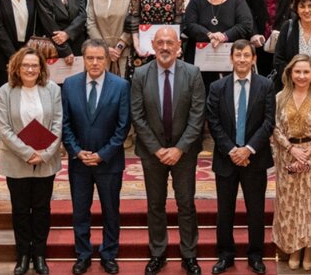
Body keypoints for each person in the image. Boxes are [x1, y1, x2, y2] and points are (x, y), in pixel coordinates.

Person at [130, 26, 206, 275]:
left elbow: (197, 116)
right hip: (153, 154)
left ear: (178, 46)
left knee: (186, 204)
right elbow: (137, 116)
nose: (164, 47)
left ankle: (189, 255)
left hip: (184, 153)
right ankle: (158, 254)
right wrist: (157, 149)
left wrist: (179, 149)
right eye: (160, 42)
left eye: (169, 43)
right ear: (153, 44)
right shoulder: (140, 74)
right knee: (155, 204)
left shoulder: (193, 73)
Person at [61, 39, 132, 275]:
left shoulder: (121, 86)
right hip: (79, 162)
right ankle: (83, 254)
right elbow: (65, 124)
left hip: (109, 162)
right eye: (90, 58)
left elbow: (123, 127)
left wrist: (102, 155)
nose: (94, 63)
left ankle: (109, 253)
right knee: (80, 211)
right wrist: (77, 151)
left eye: (99, 58)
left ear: (107, 59)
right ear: (84, 59)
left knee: (111, 210)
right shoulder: (69, 85)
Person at [206, 40, 275, 275]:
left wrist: (248, 149)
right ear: (231, 58)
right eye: (238, 55)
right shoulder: (218, 87)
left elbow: (268, 122)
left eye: (247, 55)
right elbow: (213, 122)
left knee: (255, 210)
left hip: (255, 158)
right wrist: (232, 150)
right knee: (225, 211)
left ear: (254, 59)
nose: (242, 59)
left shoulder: (266, 86)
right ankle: (225, 255)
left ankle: (256, 255)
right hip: (226, 158)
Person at [0, 47, 63, 275]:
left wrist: (44, 154)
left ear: (41, 68)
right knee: (21, 210)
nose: (30, 69)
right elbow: (4, 128)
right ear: (17, 67)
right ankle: (23, 255)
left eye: (35, 65)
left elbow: (57, 124)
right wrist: (27, 153)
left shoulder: (52, 90)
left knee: (42, 209)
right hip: (16, 161)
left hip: (46, 160)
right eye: (25, 65)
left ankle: (40, 255)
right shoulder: (5, 92)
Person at [271, 55, 311, 271]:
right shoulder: (280, 97)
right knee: (290, 204)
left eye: (306, 72)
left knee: (310, 204)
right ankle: (294, 247)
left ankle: (308, 247)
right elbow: (275, 127)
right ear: (290, 73)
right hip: (288, 154)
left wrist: (307, 152)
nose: (301, 76)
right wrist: (292, 149)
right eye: (297, 72)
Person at [182, 0, 255, 66]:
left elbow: (246, 25)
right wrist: (209, 35)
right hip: (198, 57)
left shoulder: (238, 0)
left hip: (230, 58)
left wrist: (224, 36)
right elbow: (189, 24)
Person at [86, 0, 133, 77]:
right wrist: (105, 48)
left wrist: (118, 47)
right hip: (100, 51)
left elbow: (133, 21)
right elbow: (91, 22)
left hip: (123, 52)